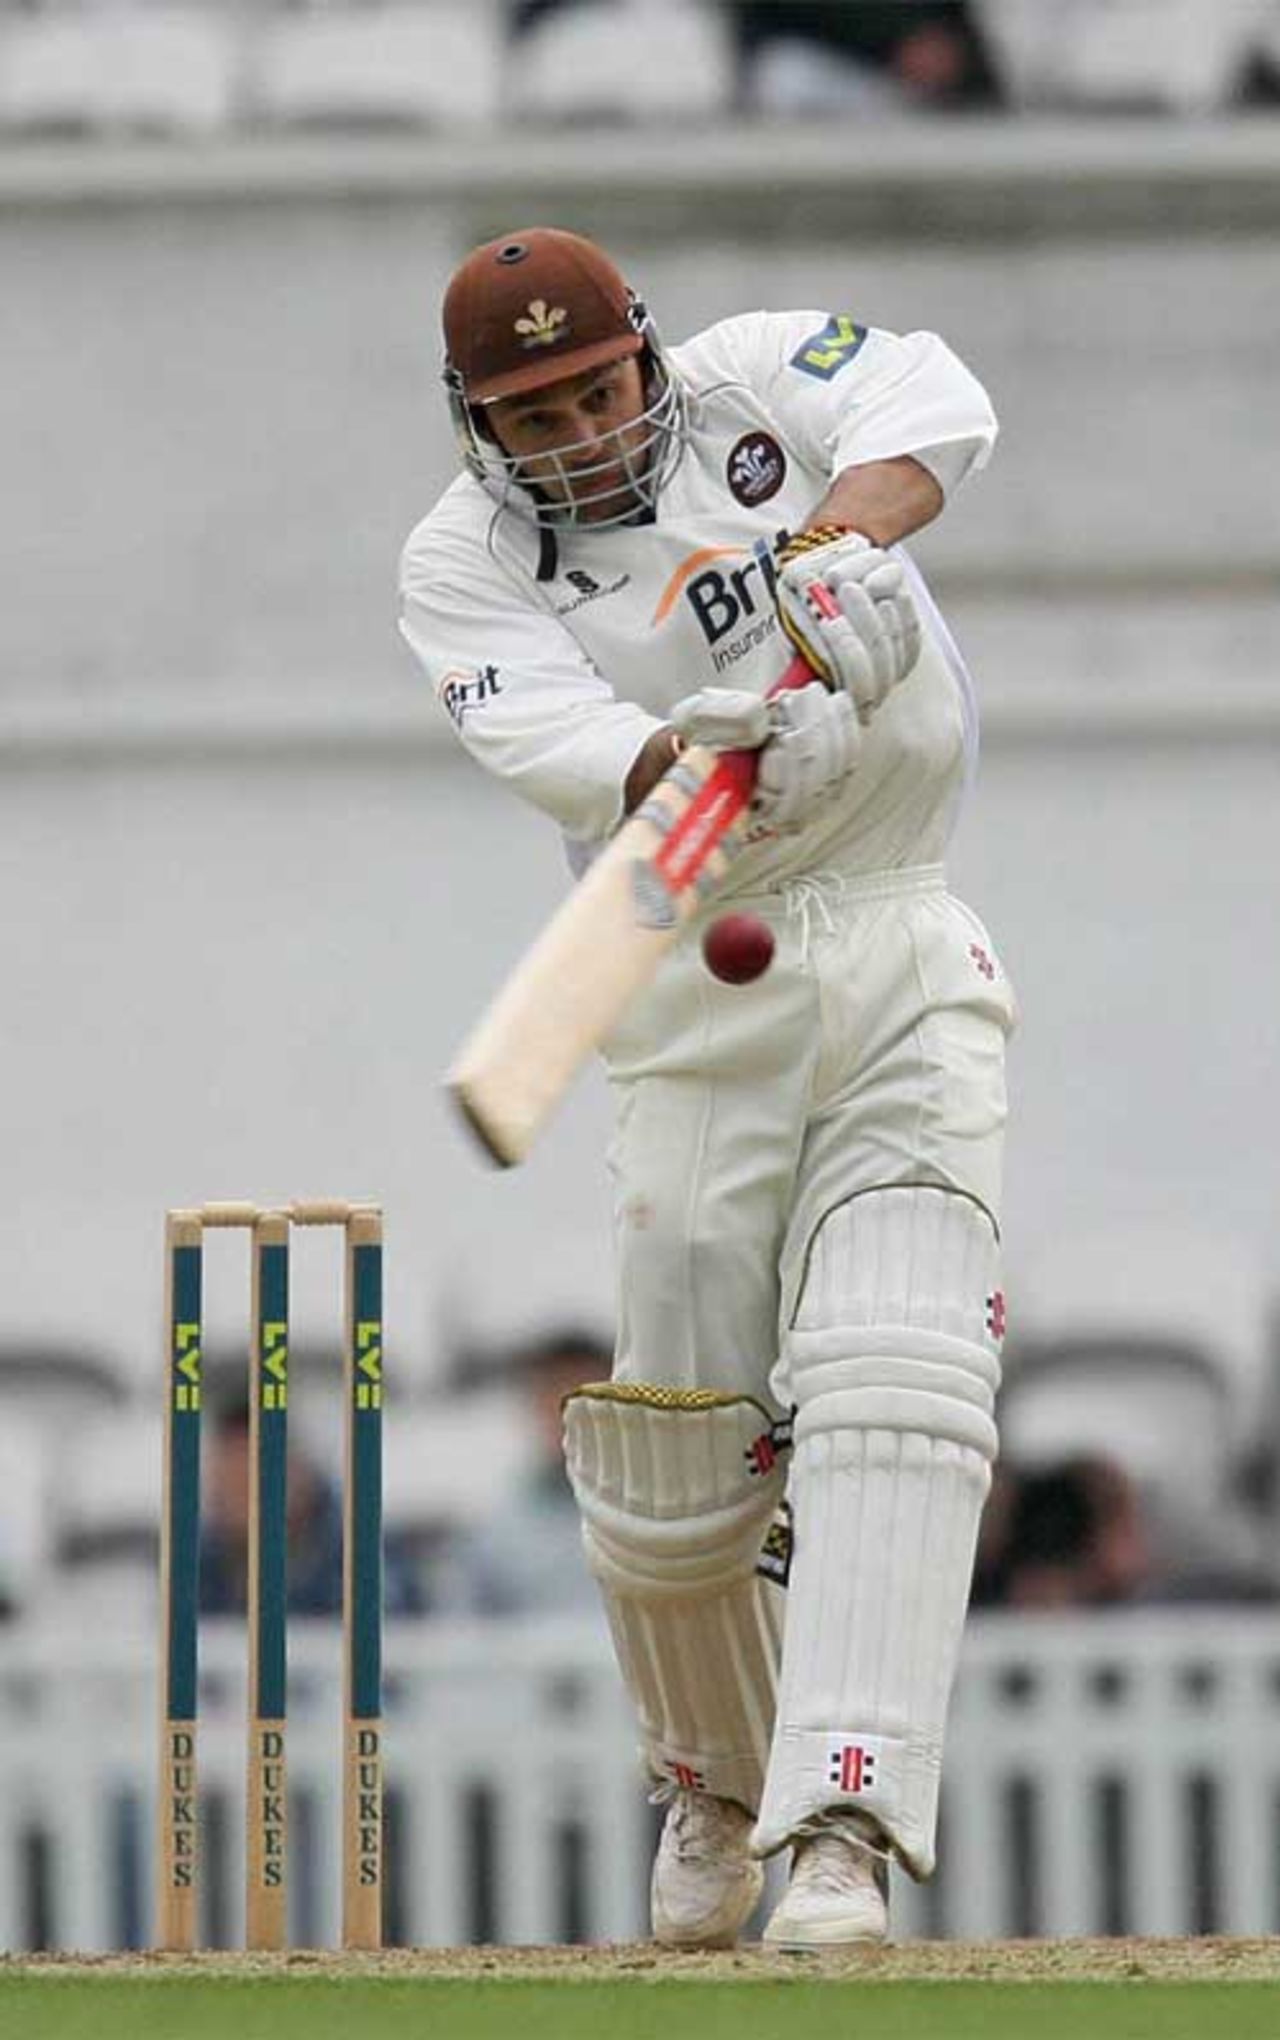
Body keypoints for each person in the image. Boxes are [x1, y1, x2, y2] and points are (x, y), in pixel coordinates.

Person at [400, 227, 1015, 1950]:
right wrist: (720, 744)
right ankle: (716, 1782)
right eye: (535, 417)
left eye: (598, 391)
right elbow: (589, 749)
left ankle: (842, 1830)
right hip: (685, 975)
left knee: (898, 1367)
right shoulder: (457, 565)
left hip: (895, 929)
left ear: (648, 357)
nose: (582, 435)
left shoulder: (751, 377)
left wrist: (834, 551)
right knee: (674, 1445)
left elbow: (935, 403)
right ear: (477, 423)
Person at [444, 1325, 613, 1616]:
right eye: (556, 1394)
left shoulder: (663, 1518)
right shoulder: (496, 1531)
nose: (570, 1415)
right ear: (533, 1406)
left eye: (587, 1397)